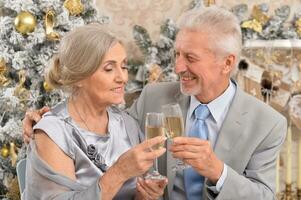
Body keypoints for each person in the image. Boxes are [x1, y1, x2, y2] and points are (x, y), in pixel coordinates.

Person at [23, 6, 287, 200]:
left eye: (190, 58)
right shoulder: (153, 97)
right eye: (177, 54)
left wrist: (218, 171)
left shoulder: (268, 123)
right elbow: (92, 101)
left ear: (227, 63)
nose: (178, 66)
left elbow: (264, 195)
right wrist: (44, 119)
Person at [22, 23, 168, 200]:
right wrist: (119, 172)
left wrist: (145, 195)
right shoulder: (53, 133)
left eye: (123, 66)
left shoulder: (126, 123)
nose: (122, 78)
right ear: (80, 77)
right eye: (109, 68)